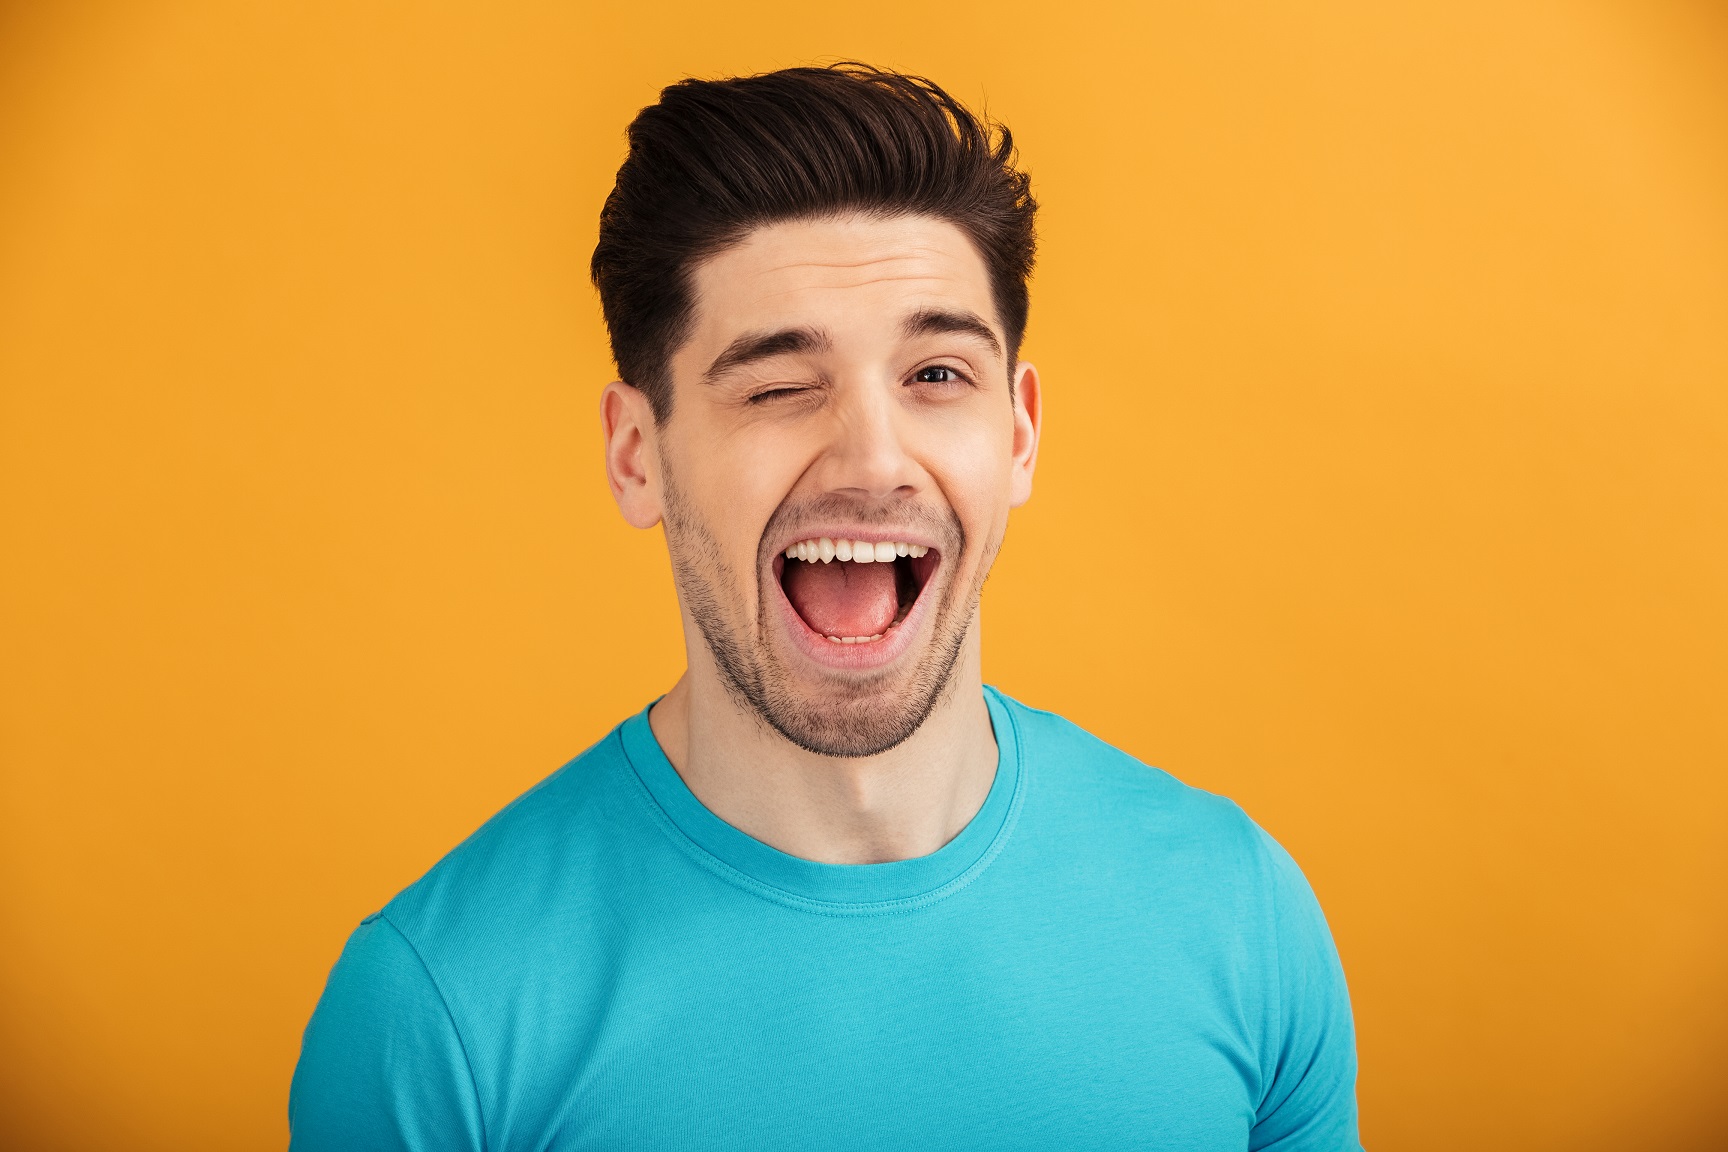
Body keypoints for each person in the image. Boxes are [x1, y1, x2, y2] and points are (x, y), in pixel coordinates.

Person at [289, 63, 1361, 1150]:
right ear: (635, 455)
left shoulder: (1241, 915)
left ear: (1020, 431)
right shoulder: (436, 1016)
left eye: (937, 375)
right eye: (778, 387)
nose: (874, 457)